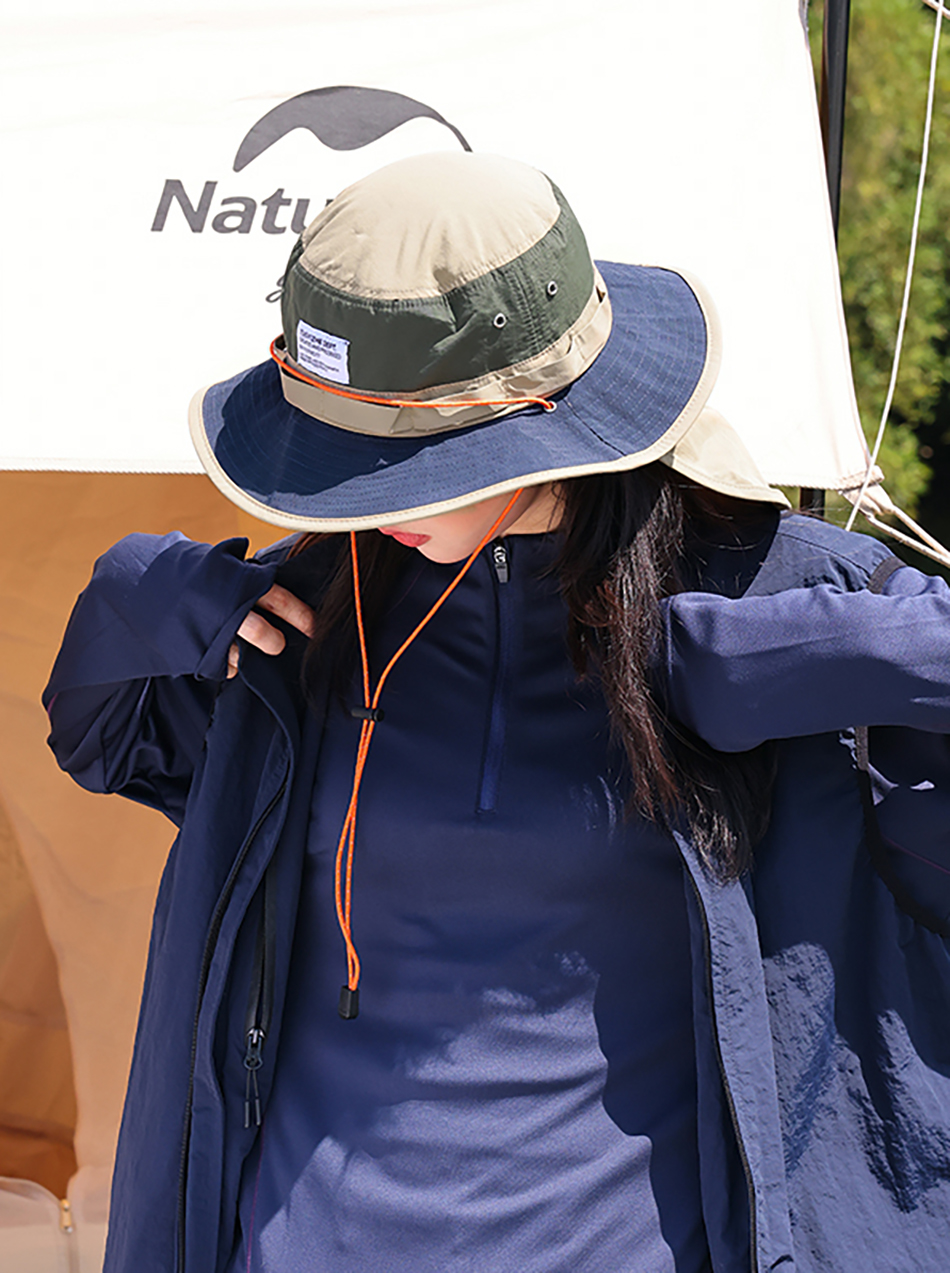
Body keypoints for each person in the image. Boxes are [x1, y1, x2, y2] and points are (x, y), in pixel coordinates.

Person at [44, 152, 950, 1273]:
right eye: (338, 451)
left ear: (541, 416)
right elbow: (99, 736)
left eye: (399, 456)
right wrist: (128, 597)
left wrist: (807, 656)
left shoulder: (768, 591)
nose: (361, 495)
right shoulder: (303, 614)